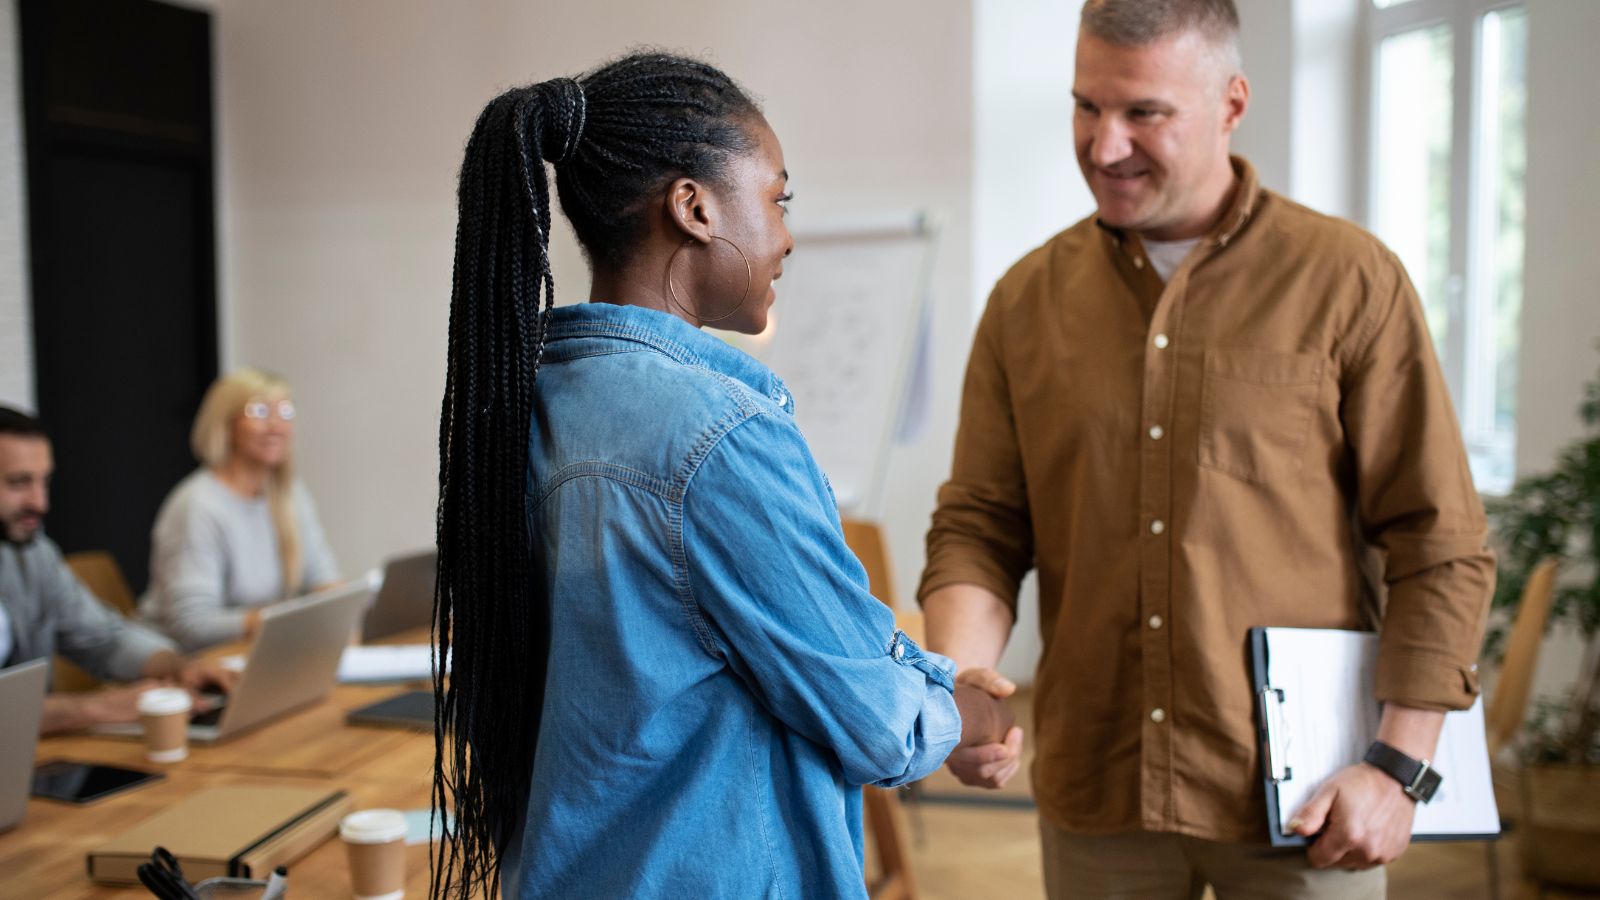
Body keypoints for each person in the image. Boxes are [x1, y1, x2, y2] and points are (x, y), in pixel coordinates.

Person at [918, 1, 1494, 897]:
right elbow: (981, 526)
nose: (1104, 147)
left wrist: (1398, 768)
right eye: (1086, 106)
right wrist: (961, 684)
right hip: (1097, 790)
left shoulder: (1349, 281)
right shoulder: (1024, 300)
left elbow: (1438, 539)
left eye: (1144, 113)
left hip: (1309, 803)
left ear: (1231, 103)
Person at [431, 52, 998, 899]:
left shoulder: (526, 400)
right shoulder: (718, 439)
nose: (788, 235)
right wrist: (975, 710)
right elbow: (875, 719)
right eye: (778, 198)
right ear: (694, 207)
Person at [0, 406, 235, 734]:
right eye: (18, 483)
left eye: (44, 482)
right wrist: (94, 708)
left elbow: (103, 639)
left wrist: (178, 666)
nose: (40, 503)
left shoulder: (32, 554)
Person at [139, 368, 339, 651]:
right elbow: (192, 624)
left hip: (260, 650)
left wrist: (342, 614)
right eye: (259, 412)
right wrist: (286, 619)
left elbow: (322, 578)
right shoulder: (198, 505)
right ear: (226, 424)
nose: (276, 426)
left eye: (285, 412)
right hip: (187, 666)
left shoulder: (290, 492)